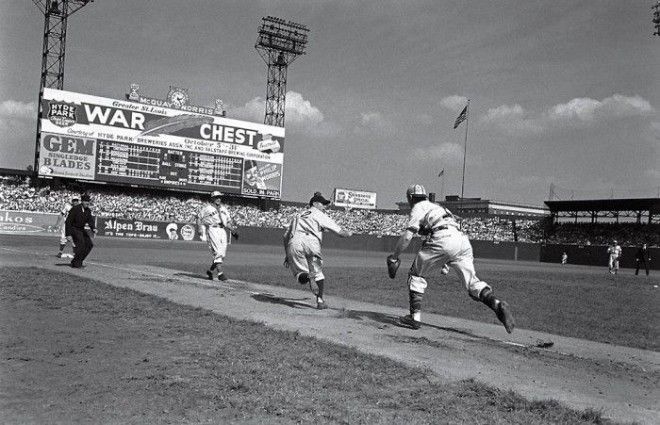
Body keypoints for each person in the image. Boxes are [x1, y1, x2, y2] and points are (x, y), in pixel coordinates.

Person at [389, 184, 515, 333]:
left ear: (410, 198)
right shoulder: (439, 207)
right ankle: (496, 303)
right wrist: (445, 264)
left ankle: (414, 317)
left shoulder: (417, 208)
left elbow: (408, 236)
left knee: (416, 275)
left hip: (443, 238)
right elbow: (446, 236)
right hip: (462, 240)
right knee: (472, 283)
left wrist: (394, 257)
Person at [282, 192, 353, 309]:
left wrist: (287, 254)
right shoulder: (319, 214)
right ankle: (320, 301)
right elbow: (341, 233)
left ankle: (309, 277)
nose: (324, 206)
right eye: (322, 204)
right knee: (318, 274)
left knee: (300, 275)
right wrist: (349, 233)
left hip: (295, 242)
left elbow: (285, 237)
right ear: (314, 204)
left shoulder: (298, 215)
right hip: (312, 243)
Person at [197, 191, 239, 281]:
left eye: (219, 197)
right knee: (218, 252)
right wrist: (199, 228)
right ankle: (220, 274)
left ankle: (210, 271)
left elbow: (227, 222)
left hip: (222, 230)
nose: (218, 199)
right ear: (212, 198)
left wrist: (233, 231)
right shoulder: (207, 208)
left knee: (222, 254)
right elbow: (199, 218)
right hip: (213, 229)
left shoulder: (224, 209)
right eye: (216, 197)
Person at [65, 193, 96, 268]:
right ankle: (77, 264)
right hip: (74, 229)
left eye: (88, 201)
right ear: (82, 201)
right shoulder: (75, 209)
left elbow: (90, 220)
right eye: (85, 201)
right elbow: (68, 221)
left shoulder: (88, 210)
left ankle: (77, 261)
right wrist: (68, 234)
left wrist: (93, 228)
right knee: (81, 245)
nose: (87, 203)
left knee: (89, 245)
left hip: (81, 229)